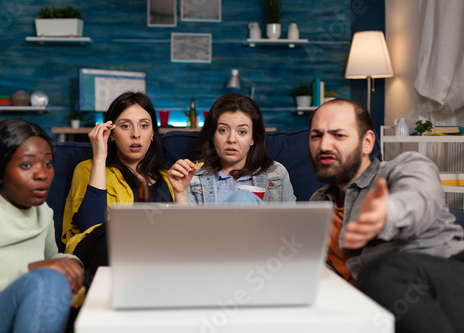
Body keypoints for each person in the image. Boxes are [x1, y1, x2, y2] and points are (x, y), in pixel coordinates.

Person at [308, 98, 464, 332]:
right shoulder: (318, 203)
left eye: (338, 135)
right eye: (316, 135)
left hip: (442, 281)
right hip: (374, 309)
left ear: (367, 142)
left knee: (382, 272)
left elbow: (419, 197)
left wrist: (387, 213)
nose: (324, 145)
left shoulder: (404, 167)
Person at [0, 119, 84, 333]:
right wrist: (30, 272)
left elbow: (50, 257)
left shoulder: (43, 212)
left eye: (47, 163)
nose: (42, 174)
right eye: (26, 165)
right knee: (46, 280)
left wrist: (70, 262)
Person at [62, 91, 174, 284]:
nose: (136, 134)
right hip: (108, 260)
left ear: (153, 134)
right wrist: (99, 158)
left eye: (144, 126)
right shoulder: (87, 168)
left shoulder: (168, 176)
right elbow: (93, 229)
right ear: (111, 134)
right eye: (125, 126)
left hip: (157, 261)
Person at [168, 93, 296, 204]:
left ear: (253, 139)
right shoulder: (193, 177)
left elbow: (290, 223)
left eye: (242, 132)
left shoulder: (276, 173)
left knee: (244, 197)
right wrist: (180, 192)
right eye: (223, 130)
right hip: (210, 232)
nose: (231, 139)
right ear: (213, 135)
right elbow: (188, 229)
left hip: (262, 232)